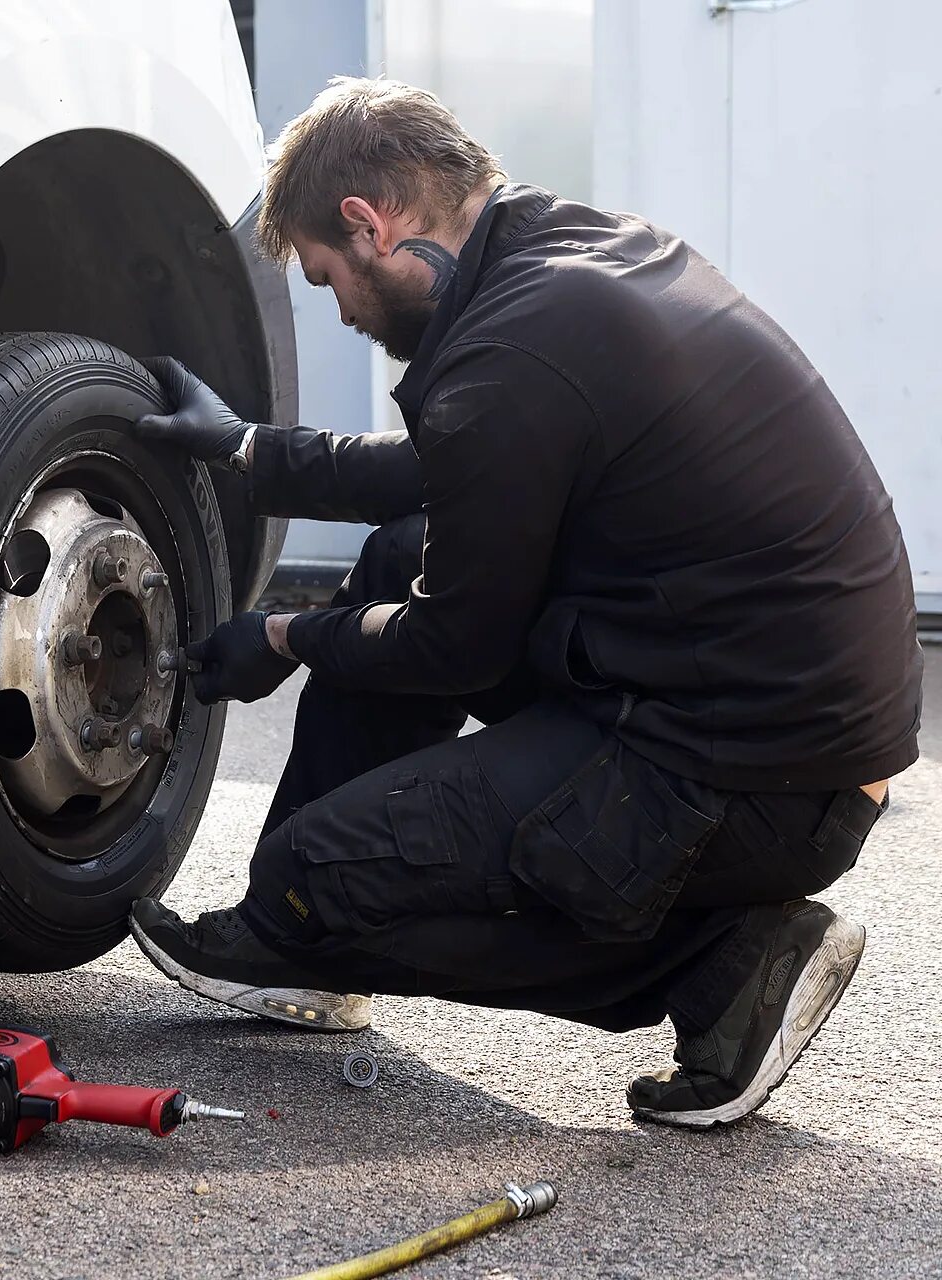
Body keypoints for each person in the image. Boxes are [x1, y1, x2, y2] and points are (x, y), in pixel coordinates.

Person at [125, 77, 921, 1128]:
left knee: (332, 870)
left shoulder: (507, 351)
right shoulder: (564, 259)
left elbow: (453, 640)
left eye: (328, 280)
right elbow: (455, 468)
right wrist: (247, 451)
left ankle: (724, 964)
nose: (343, 310)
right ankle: (291, 940)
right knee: (399, 558)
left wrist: (280, 634)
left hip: (757, 777)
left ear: (369, 224)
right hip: (728, 692)